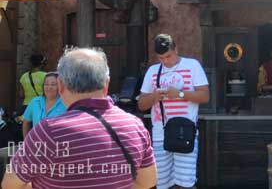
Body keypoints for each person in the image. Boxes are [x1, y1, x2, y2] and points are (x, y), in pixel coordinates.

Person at [2, 47, 157, 189]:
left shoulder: (48, 130)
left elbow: (10, 184)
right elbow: (148, 181)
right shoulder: (135, 125)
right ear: (106, 84)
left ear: (60, 86)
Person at [138, 34, 210, 189]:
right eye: (161, 58)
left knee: (185, 183)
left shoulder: (192, 66)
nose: (165, 61)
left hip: (186, 132)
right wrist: (154, 97)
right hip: (159, 135)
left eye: (168, 56)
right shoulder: (153, 71)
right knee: (161, 183)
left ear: (176, 49)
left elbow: (205, 96)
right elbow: (142, 105)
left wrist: (180, 94)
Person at [21, 72, 66, 137]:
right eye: (46, 84)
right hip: (36, 143)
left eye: (53, 84)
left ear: (60, 86)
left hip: (57, 144)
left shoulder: (65, 103)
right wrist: (26, 142)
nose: (49, 87)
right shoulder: (35, 101)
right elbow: (26, 123)